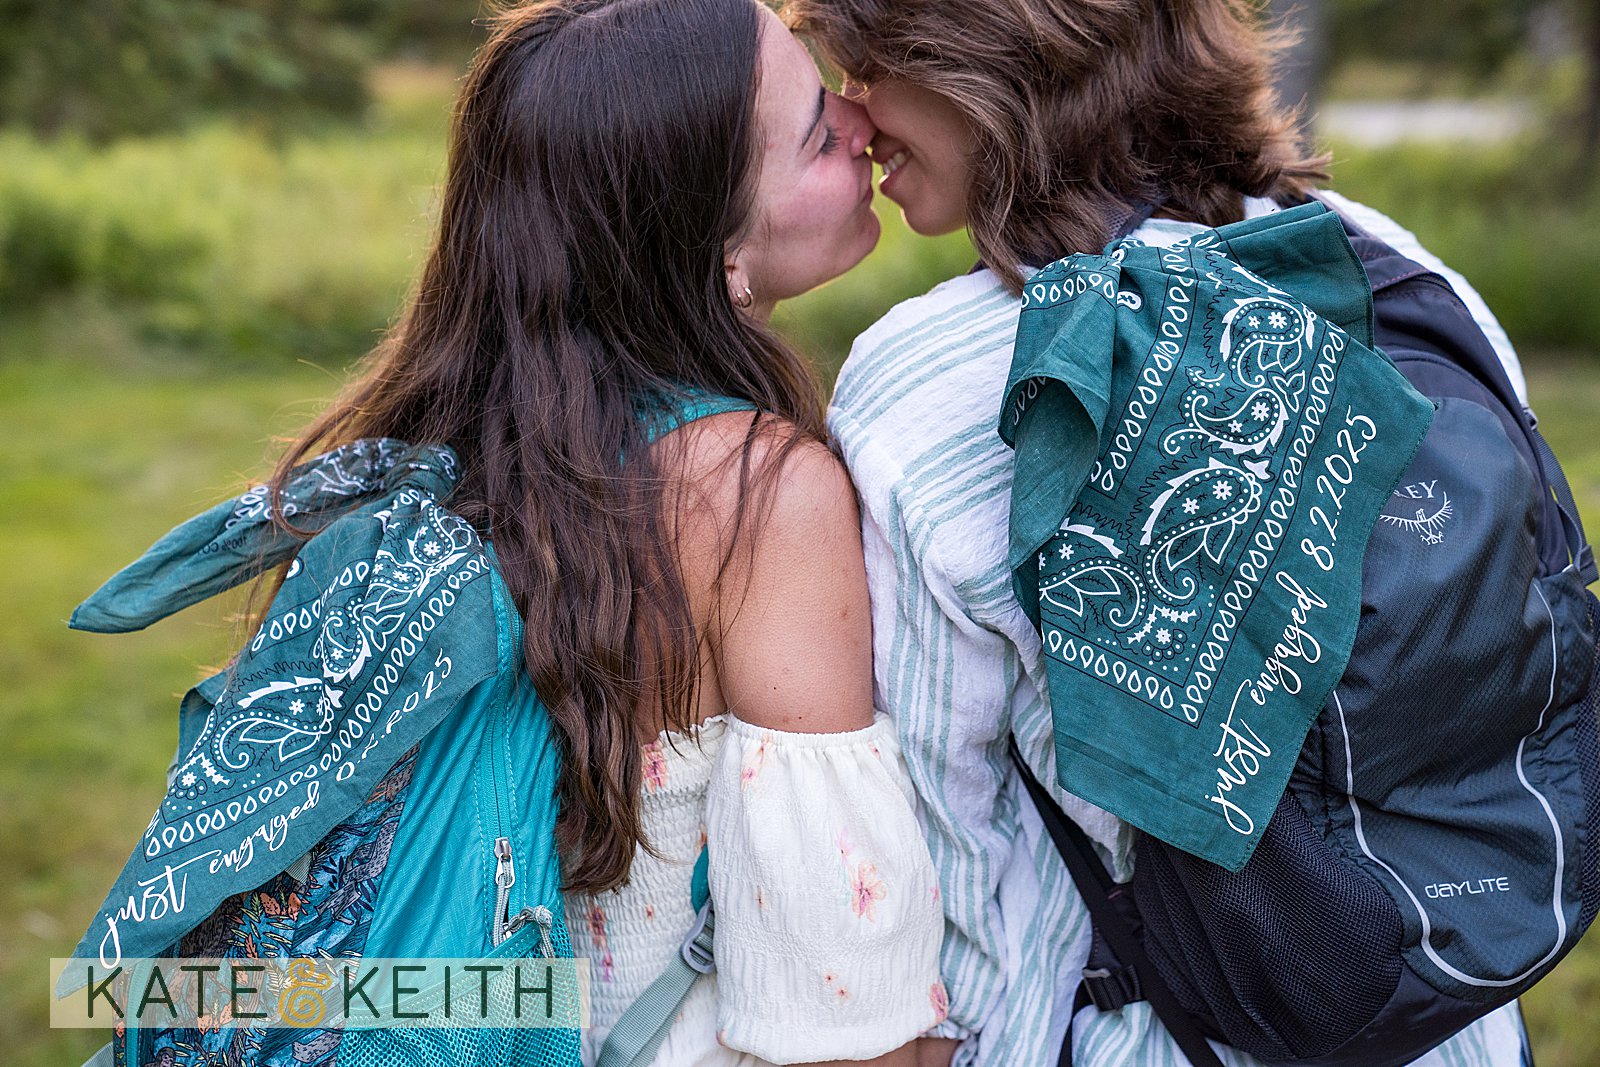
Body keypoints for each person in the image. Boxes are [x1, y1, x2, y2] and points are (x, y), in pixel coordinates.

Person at [70, 1, 944, 1064]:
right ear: (705, 240)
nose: (861, 118)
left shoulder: (446, 460)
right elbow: (843, 1008)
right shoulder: (754, 490)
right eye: (816, 131)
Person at [780, 1, 1534, 1065]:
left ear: (991, 68)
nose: (854, 115)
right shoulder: (1380, 263)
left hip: (1161, 1023)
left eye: (872, 67)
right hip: (1447, 1000)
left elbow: (947, 840)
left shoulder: (930, 380)